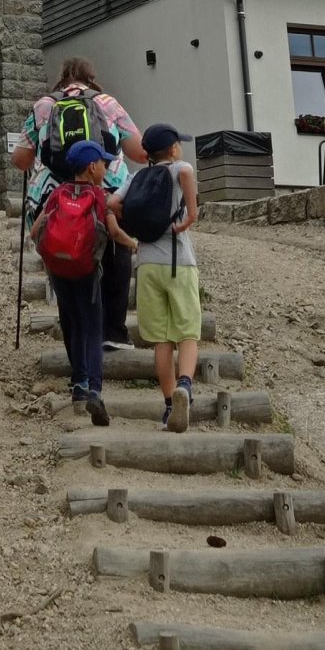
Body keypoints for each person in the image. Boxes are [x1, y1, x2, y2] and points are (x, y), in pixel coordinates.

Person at [12, 57, 146, 352]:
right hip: (106, 192)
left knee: (65, 261)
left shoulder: (44, 105)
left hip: (57, 198)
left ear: (62, 78)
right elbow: (138, 152)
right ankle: (113, 331)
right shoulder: (107, 103)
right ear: (90, 78)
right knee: (115, 252)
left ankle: (75, 335)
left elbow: (20, 159)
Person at [107, 123, 200, 432]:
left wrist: (137, 224)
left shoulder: (135, 178)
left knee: (161, 340)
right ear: (173, 149)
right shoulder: (178, 169)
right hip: (178, 262)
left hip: (147, 263)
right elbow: (186, 171)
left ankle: (170, 405)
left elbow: (111, 204)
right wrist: (190, 216)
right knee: (188, 332)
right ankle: (184, 385)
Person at [31, 138, 112, 425]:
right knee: (93, 326)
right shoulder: (99, 195)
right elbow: (109, 230)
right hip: (87, 270)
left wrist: (53, 255)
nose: (105, 167)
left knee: (72, 322)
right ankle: (95, 389)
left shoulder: (57, 193)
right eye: (102, 162)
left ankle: (78, 384)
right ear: (91, 167)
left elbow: (35, 231)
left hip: (60, 270)